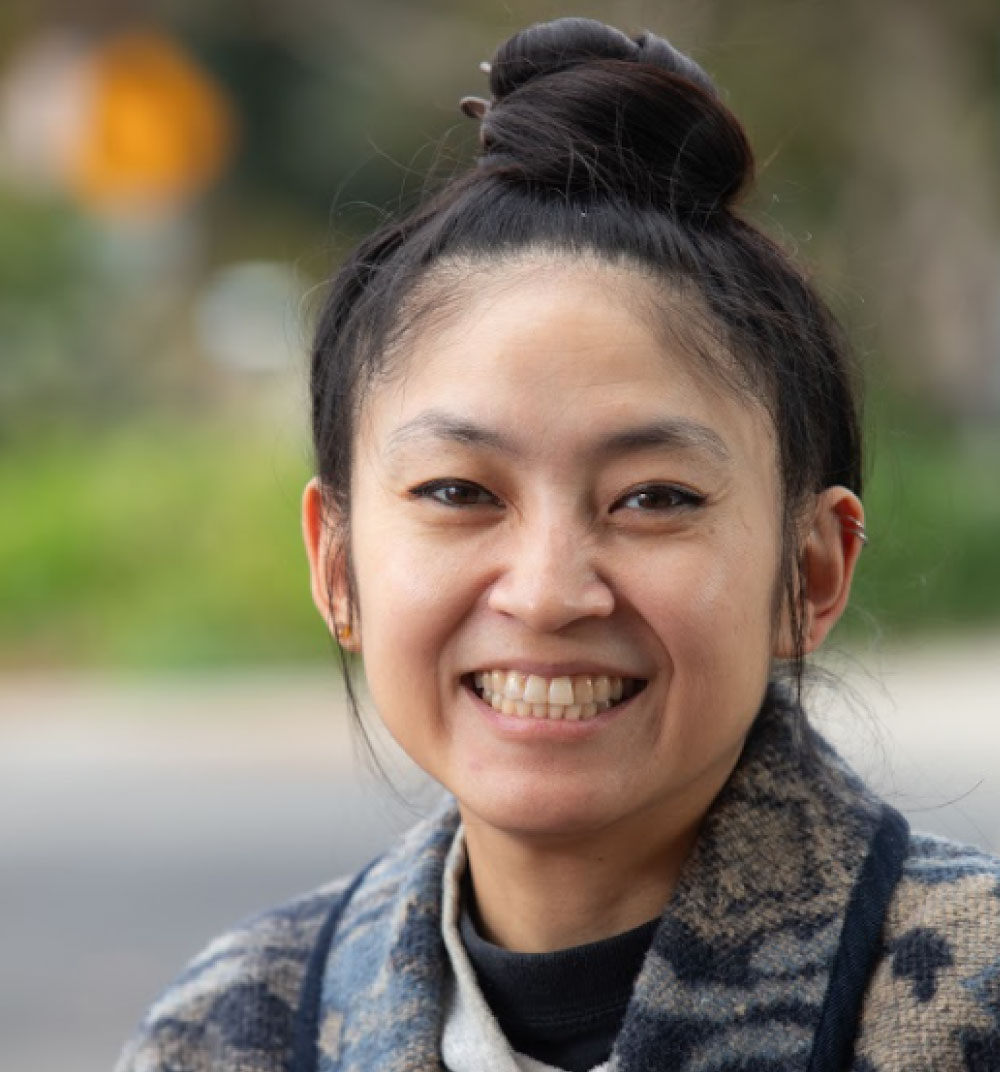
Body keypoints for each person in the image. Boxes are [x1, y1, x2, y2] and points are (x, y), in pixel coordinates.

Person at [115, 17, 1000, 1072]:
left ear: (809, 571)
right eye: (457, 490)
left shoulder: (964, 1007)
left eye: (653, 498)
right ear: (336, 563)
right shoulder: (230, 1031)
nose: (545, 592)